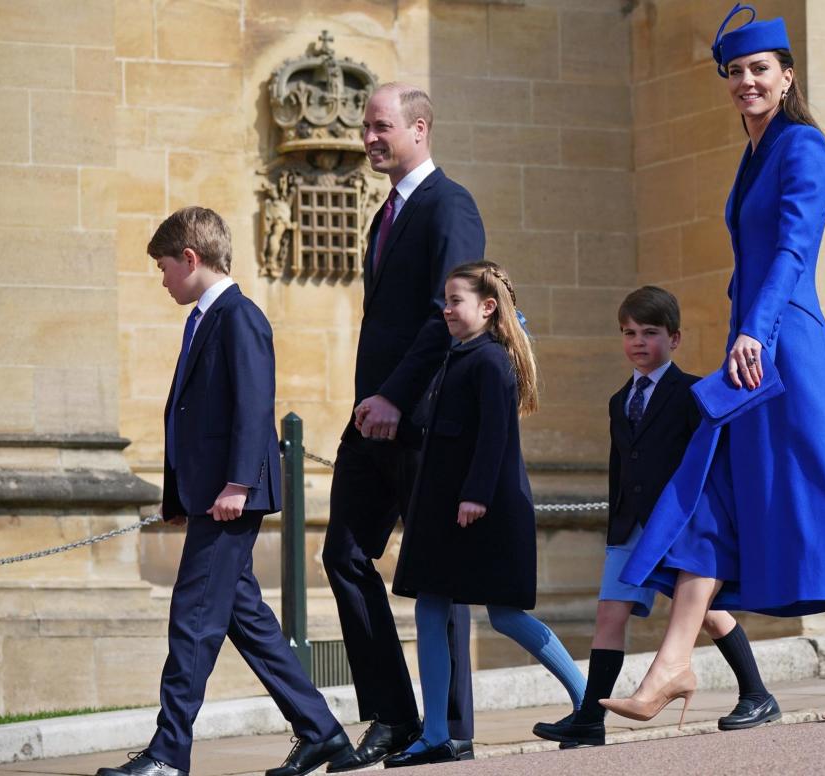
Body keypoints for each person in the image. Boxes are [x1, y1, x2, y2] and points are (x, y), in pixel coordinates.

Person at [602, 5, 825, 727]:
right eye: (734, 72)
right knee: (707, 496)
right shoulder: (752, 152)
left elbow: (794, 252)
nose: (745, 82)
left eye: (759, 69)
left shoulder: (801, 147)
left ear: (786, 73)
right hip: (754, 344)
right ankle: (672, 665)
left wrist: (755, 333)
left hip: (788, 347)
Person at [95, 207, 354, 776]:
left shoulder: (239, 316)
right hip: (211, 496)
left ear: (190, 258)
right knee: (247, 620)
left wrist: (238, 482)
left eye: (164, 267)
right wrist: (179, 498)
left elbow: (252, 405)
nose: (162, 280)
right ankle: (324, 733)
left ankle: (168, 754)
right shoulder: (205, 319)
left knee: (192, 619)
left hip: (229, 496)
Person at [532, 286, 779, 748]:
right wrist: (613, 531)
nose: (638, 341)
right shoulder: (617, 401)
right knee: (610, 612)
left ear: (675, 339)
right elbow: (619, 469)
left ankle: (757, 693)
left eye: (650, 332)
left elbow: (708, 464)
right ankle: (590, 718)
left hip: (680, 523)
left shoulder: (692, 394)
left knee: (706, 613)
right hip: (630, 525)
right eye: (629, 333)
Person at [322, 83, 484, 770]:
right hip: (375, 420)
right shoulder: (384, 215)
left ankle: (448, 729)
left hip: (423, 419)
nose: (368, 139)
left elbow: (446, 314)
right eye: (366, 129)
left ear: (420, 128)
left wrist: (394, 396)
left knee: (434, 570)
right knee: (344, 555)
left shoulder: (450, 205)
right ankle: (391, 716)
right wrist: (371, 404)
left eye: (380, 127)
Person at [387, 261, 586, 767]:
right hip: (443, 511)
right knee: (429, 610)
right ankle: (435, 733)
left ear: (487, 306)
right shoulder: (460, 356)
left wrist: (475, 495)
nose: (446, 309)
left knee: (506, 615)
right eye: (446, 301)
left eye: (455, 301)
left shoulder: (491, 361)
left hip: (481, 510)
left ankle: (589, 703)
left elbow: (497, 435)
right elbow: (447, 432)